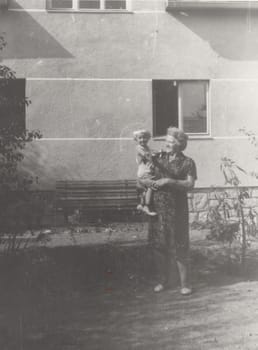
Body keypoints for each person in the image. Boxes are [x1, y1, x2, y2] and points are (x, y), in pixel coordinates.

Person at [149, 127, 197, 296]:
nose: (167, 145)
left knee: (180, 244)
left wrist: (169, 181)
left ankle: (185, 284)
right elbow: (146, 172)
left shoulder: (188, 162)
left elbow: (190, 185)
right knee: (159, 244)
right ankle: (162, 281)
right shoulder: (158, 159)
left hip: (177, 208)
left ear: (179, 145)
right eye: (166, 142)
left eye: (170, 142)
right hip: (159, 206)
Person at [133, 129, 158, 216]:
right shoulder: (139, 148)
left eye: (144, 137)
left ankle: (141, 204)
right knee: (151, 186)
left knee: (145, 190)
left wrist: (157, 153)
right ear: (136, 139)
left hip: (148, 172)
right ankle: (147, 206)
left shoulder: (147, 148)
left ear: (148, 138)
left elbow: (152, 153)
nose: (142, 140)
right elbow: (146, 155)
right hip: (144, 173)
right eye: (140, 138)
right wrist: (152, 160)